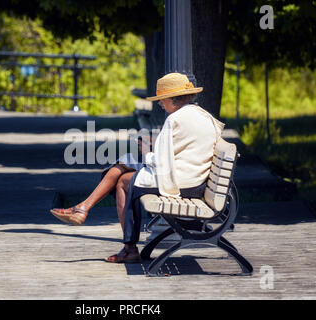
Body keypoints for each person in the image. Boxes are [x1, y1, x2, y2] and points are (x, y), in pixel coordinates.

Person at [50, 72, 224, 263]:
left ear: (172, 98)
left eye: (161, 101)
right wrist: (153, 148)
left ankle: (125, 244)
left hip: (184, 183)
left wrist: (147, 150)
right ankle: (84, 209)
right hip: (193, 178)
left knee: (124, 181)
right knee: (124, 167)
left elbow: (162, 163)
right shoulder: (201, 115)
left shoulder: (175, 119)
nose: (161, 105)